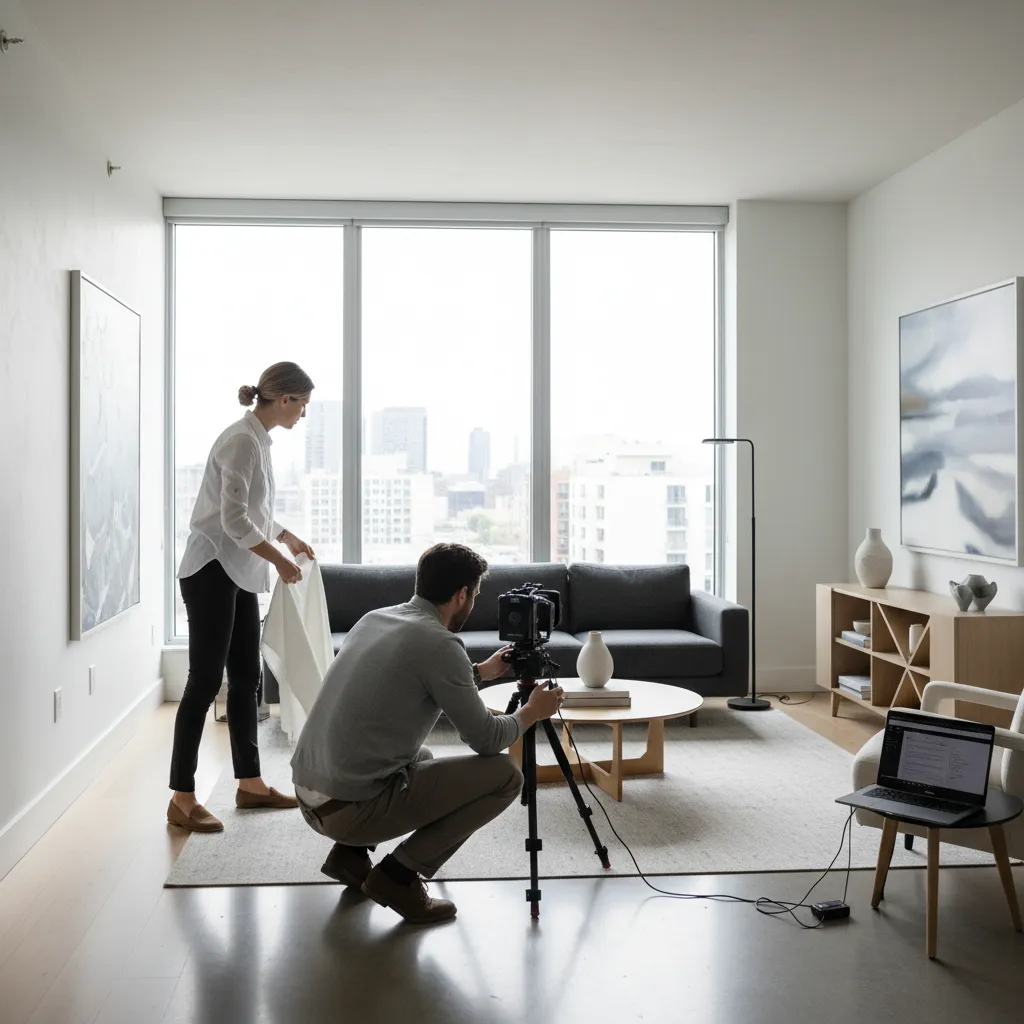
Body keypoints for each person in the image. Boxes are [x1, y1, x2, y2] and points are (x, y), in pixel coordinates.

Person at [291, 543, 564, 925]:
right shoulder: (440, 643)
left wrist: (480, 672)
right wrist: (531, 713)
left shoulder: (375, 618)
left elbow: (412, 675)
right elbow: (485, 739)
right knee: (505, 776)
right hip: (346, 810)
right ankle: (397, 877)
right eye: (475, 595)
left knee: (422, 759)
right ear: (462, 595)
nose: (473, 604)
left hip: (309, 794)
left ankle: (349, 857)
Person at [168, 361, 318, 833]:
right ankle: (182, 797)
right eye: (303, 406)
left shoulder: (257, 441)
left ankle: (249, 783)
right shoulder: (240, 440)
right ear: (286, 398)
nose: (303, 416)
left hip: (237, 570)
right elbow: (232, 522)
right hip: (211, 569)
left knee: (246, 679)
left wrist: (286, 535)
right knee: (204, 681)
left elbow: (252, 509)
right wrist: (278, 558)